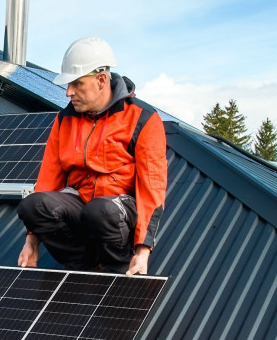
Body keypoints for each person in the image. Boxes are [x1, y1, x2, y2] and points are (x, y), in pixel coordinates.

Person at [17, 37, 167, 275]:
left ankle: (116, 267)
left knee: (100, 211)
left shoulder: (142, 119)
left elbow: (152, 188)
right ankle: (83, 265)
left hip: (116, 211)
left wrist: (143, 250)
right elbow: (48, 177)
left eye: (77, 84)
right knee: (32, 205)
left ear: (101, 80)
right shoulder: (65, 119)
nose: (68, 92)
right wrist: (31, 241)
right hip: (81, 204)